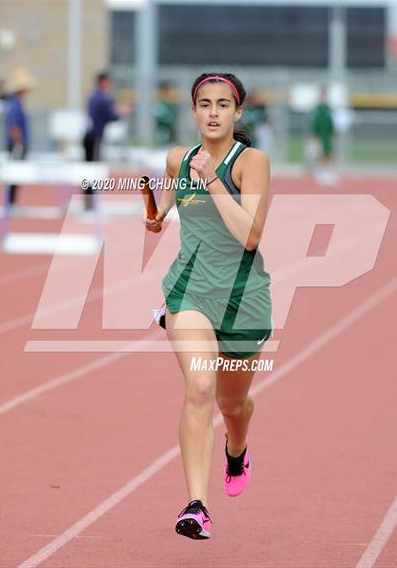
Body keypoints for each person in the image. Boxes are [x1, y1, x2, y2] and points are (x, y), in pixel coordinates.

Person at [144, 73, 272, 540]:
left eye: (223, 104)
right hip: (190, 291)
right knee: (200, 386)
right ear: (194, 112)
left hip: (242, 299)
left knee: (231, 403)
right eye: (204, 104)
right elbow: (173, 203)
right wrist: (157, 217)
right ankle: (197, 505)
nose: (213, 112)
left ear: (238, 113)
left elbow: (250, 234)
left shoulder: (251, 162)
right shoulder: (179, 158)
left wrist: (213, 181)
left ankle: (236, 450)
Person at [82, 71, 129, 210]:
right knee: (92, 170)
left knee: (89, 169)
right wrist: (120, 112)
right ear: (104, 82)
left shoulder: (94, 96)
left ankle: (89, 202)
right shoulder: (101, 98)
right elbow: (109, 116)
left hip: (90, 136)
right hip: (94, 137)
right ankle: (89, 204)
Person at [4, 69, 37, 206]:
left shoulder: (15, 104)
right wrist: (19, 143)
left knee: (16, 174)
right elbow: (13, 127)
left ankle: (12, 201)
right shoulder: (14, 105)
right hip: (17, 144)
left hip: (17, 143)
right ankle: (11, 202)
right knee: (14, 174)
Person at [309, 86, 339, 186]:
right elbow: (314, 124)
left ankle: (329, 173)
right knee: (319, 154)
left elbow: (331, 123)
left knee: (329, 153)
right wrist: (314, 136)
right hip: (319, 135)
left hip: (327, 135)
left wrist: (333, 134)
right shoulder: (317, 109)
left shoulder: (329, 109)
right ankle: (320, 173)